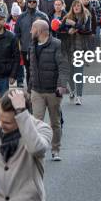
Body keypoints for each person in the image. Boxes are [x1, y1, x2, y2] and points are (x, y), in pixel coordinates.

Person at [0, 89, 52, 200]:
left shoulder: (42, 129)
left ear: (21, 117)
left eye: (7, 122)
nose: (0, 125)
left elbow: (36, 149)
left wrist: (21, 113)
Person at [28, 19, 69, 161]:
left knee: (55, 122)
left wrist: (61, 85)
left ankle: (56, 149)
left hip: (53, 91)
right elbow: (31, 69)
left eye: (32, 29)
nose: (30, 31)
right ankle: (38, 150)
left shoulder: (57, 45)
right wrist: (29, 88)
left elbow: (63, 67)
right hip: (37, 91)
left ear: (39, 31)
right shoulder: (32, 45)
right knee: (36, 122)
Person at [14, 0, 49, 88]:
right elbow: (17, 33)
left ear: (37, 2)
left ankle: (39, 87)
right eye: (30, 1)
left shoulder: (43, 16)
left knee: (39, 68)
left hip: (40, 47)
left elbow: (49, 32)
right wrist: (18, 46)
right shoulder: (21, 17)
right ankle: (30, 89)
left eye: (34, 1)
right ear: (27, 2)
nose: (32, 3)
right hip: (25, 48)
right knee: (29, 69)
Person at [61, 0, 92, 105]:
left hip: (80, 49)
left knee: (78, 73)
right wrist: (67, 31)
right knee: (70, 72)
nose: (76, 7)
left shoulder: (86, 17)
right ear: (72, 8)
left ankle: (79, 96)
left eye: (78, 5)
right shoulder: (67, 17)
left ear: (81, 7)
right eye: (74, 6)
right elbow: (60, 30)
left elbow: (87, 30)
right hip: (68, 49)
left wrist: (74, 25)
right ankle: (73, 90)